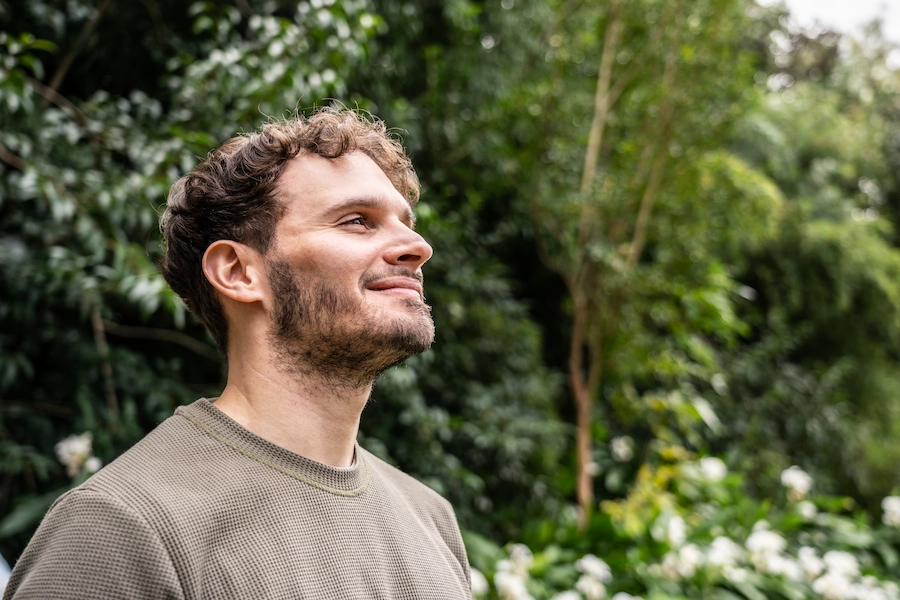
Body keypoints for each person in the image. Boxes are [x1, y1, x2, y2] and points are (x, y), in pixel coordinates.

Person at [4, 108, 471, 599]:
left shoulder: (431, 519)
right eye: (358, 221)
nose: (417, 246)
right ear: (237, 272)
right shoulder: (121, 528)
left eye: (406, 223)